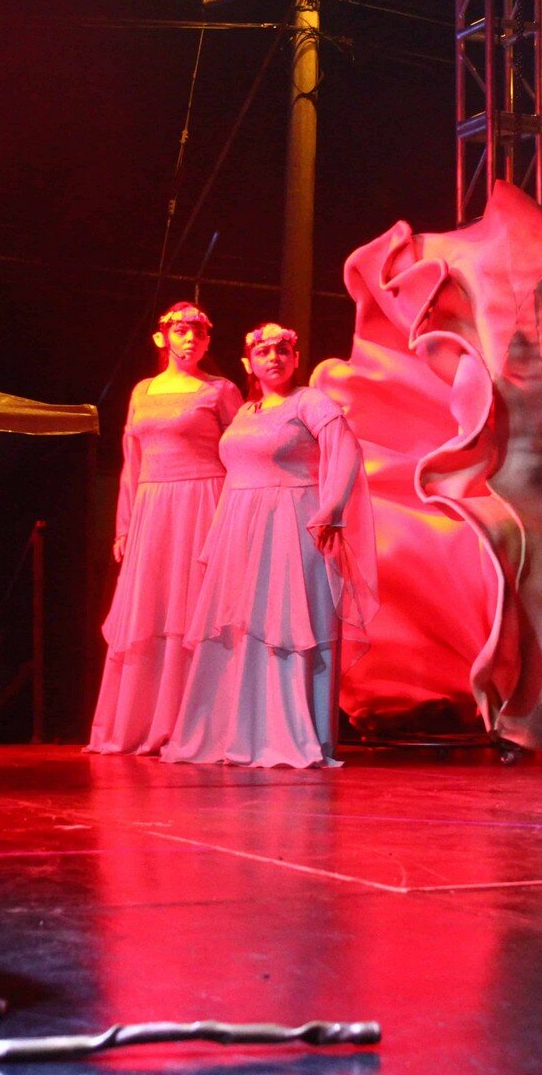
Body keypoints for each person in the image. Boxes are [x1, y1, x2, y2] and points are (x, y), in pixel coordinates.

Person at [161, 323, 376, 768]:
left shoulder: (310, 401)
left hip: (292, 521)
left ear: (295, 359)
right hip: (242, 528)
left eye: (282, 351)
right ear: (249, 363)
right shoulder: (246, 412)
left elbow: (346, 449)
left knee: (287, 623)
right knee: (244, 628)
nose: (273, 358)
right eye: (263, 352)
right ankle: (240, 732)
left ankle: (289, 733)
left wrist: (332, 508)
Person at [86, 302, 242, 755]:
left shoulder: (221, 390)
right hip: (154, 510)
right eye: (180, 331)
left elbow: (240, 455)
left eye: (198, 332)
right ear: (162, 338)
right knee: (152, 609)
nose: (189, 338)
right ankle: (144, 721)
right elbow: (131, 464)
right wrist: (124, 526)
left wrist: (236, 518)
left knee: (195, 610)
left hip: (204, 504)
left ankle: (200, 723)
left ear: (208, 341)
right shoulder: (142, 391)